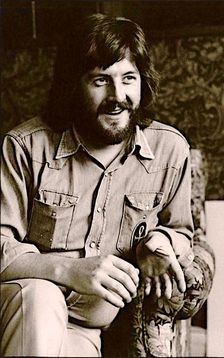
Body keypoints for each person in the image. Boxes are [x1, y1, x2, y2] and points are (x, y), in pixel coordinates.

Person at [0, 13, 194, 357]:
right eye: (100, 80)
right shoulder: (25, 146)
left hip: (89, 328)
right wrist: (70, 270)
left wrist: (159, 242)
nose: (117, 96)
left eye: (128, 79)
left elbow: (182, 230)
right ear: (73, 84)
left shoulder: (170, 150)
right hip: (24, 307)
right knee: (40, 296)